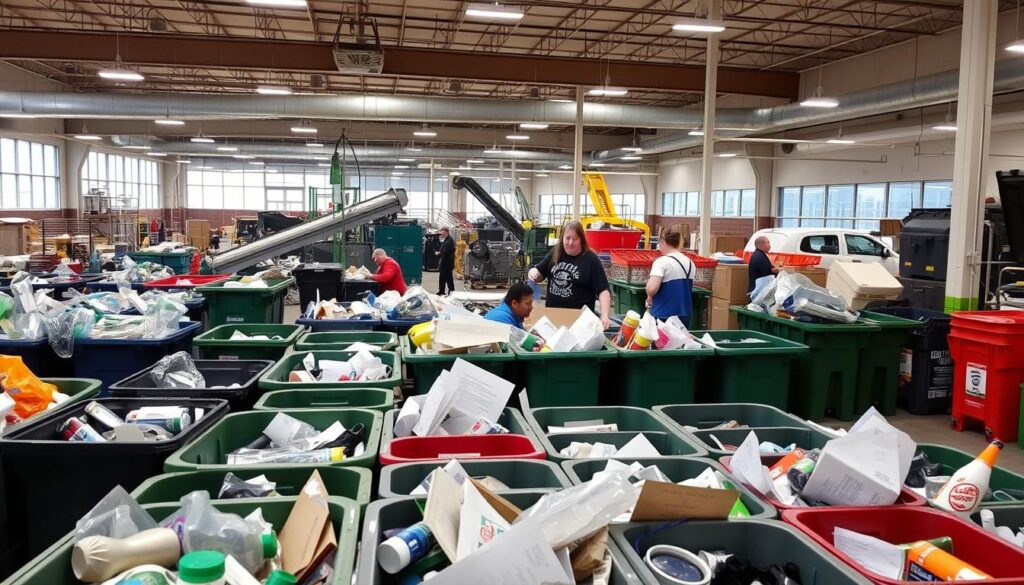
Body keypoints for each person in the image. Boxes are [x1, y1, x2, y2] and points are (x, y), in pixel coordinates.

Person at [528, 220, 611, 328]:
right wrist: (533, 272)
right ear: (562, 238)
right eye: (567, 238)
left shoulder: (591, 259)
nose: (570, 242)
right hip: (554, 318)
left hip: (579, 322)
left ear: (581, 240)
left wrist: (605, 315)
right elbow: (540, 274)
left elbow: (603, 290)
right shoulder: (555, 253)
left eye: (575, 239)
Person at [645, 225, 696, 324]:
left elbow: (652, 288)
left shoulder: (662, 262)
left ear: (663, 242)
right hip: (684, 315)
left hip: (663, 314)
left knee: (660, 340)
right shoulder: (690, 263)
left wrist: (649, 296)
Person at [435, 227, 456, 295]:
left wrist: (439, 253)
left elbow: (445, 252)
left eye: (441, 232)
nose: (440, 233)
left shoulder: (449, 241)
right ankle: (442, 291)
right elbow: (443, 250)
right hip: (445, 262)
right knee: (443, 278)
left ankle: (451, 290)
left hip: (447, 263)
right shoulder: (446, 239)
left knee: (448, 278)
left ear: (445, 232)